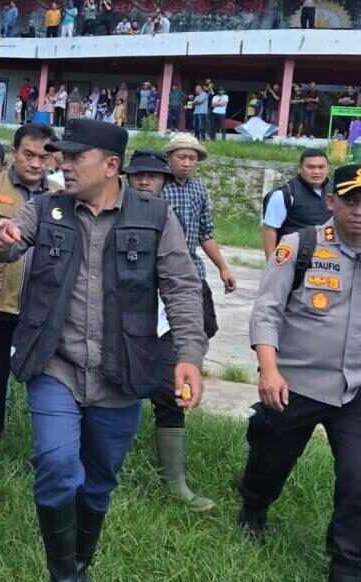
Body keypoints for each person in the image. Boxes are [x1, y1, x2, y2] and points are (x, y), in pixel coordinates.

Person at [0, 119, 207, 581]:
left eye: (72, 157)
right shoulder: (46, 209)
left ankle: (80, 563)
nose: (60, 165)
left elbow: (183, 289)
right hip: (54, 364)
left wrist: (189, 356)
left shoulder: (154, 217)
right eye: (59, 157)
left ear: (110, 166)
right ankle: (63, 573)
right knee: (56, 465)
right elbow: (7, 245)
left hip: (122, 371)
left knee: (99, 481)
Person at [239, 163, 361, 582]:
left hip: (355, 391)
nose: (359, 210)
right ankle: (253, 509)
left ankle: (347, 565)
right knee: (269, 464)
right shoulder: (300, 245)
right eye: (351, 201)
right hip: (294, 385)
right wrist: (268, 370)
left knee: (357, 480)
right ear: (332, 201)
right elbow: (267, 312)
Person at [124, 149, 215, 511]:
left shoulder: (167, 220)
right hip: (119, 323)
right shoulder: (114, 214)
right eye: (139, 175)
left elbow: (182, 280)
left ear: (164, 181)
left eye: (153, 176)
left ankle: (174, 480)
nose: (145, 181)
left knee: (171, 391)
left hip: (162, 322)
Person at [0, 123, 55, 434]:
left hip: (40, 303)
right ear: (14, 153)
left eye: (43, 157)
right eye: (28, 154)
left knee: (45, 374)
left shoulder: (61, 196)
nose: (35, 163)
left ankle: (41, 438)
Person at [162, 133, 237, 339]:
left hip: (192, 269)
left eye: (192, 159)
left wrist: (223, 268)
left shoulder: (198, 190)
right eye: (181, 157)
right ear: (169, 157)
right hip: (163, 270)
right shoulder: (159, 186)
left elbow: (206, 233)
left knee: (206, 326)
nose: (186, 163)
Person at [261, 149, 332, 258]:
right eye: (311, 167)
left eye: (321, 167)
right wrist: (271, 265)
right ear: (299, 168)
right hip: (293, 259)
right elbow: (269, 230)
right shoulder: (284, 195)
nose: (317, 172)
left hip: (328, 259)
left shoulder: (336, 191)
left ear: (328, 168)